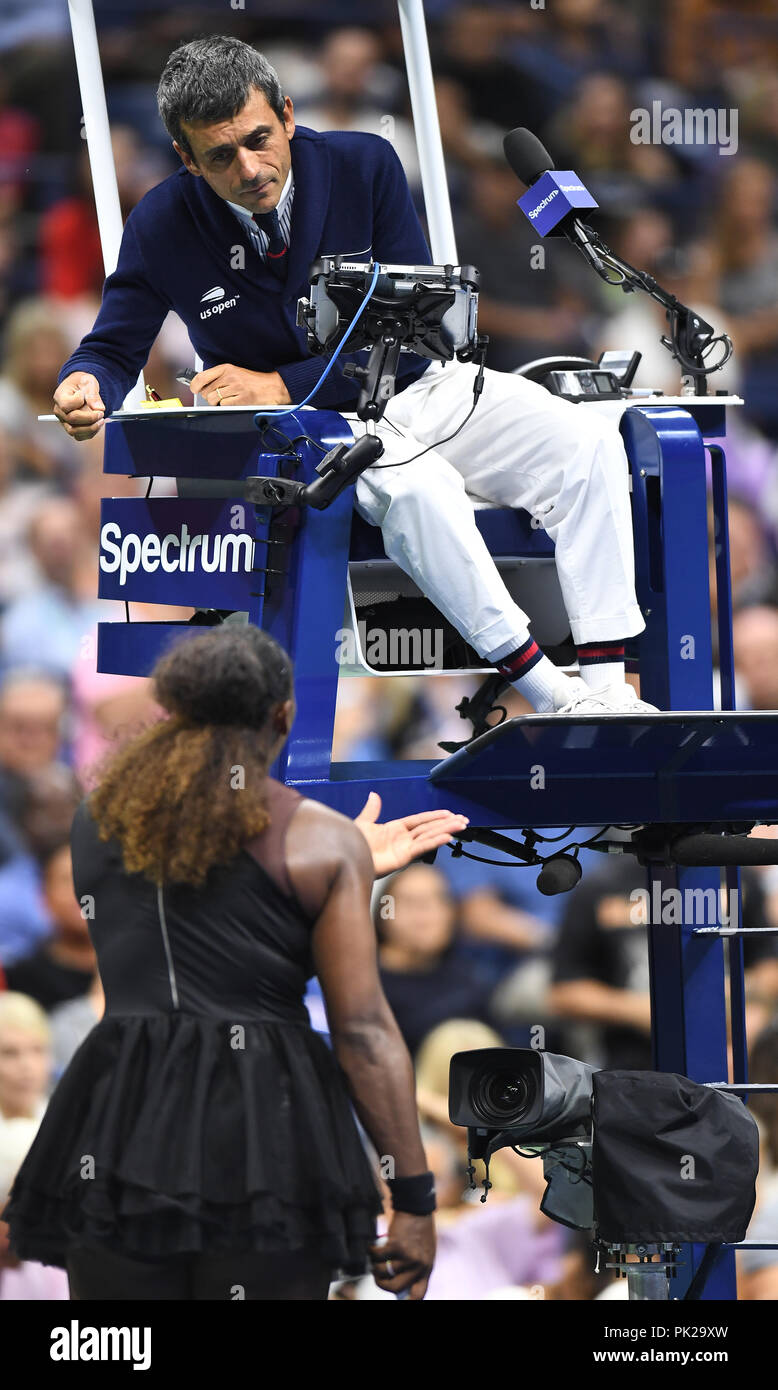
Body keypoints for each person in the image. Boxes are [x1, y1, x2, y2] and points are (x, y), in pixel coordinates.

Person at [53, 35, 657, 723]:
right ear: (188, 160)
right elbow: (112, 344)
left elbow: (420, 334)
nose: (250, 168)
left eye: (259, 138)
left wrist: (283, 381)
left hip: (422, 386)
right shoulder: (161, 222)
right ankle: (551, 695)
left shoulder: (363, 163)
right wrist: (85, 382)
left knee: (584, 442)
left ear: (286, 113)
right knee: (419, 490)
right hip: (321, 432)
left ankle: (608, 690)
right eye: (221, 156)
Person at [2, 624, 468, 1300]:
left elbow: (199, 885)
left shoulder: (95, 821)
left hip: (115, 1117)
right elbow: (364, 1034)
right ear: (282, 716)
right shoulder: (321, 843)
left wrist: (346, 859)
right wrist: (417, 1201)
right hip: (265, 1127)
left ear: (175, 709)